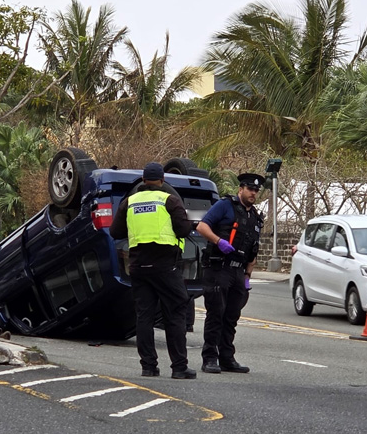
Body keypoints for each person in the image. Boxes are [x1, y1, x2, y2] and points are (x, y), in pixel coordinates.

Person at [109, 162, 197, 379]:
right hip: (166, 266)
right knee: (175, 314)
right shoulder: (169, 200)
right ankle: (179, 367)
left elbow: (115, 231)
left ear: (143, 180)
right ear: (162, 180)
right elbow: (184, 229)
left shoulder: (129, 202)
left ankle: (148, 366)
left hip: (139, 266)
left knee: (144, 317)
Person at [195, 173, 265, 374]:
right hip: (219, 267)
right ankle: (209, 358)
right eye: (250, 189)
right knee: (216, 314)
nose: (253, 193)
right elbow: (202, 226)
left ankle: (227, 357)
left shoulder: (255, 217)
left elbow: (254, 249)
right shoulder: (225, 205)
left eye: (256, 191)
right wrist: (218, 241)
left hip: (238, 271)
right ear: (241, 189)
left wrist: (247, 276)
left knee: (232, 316)